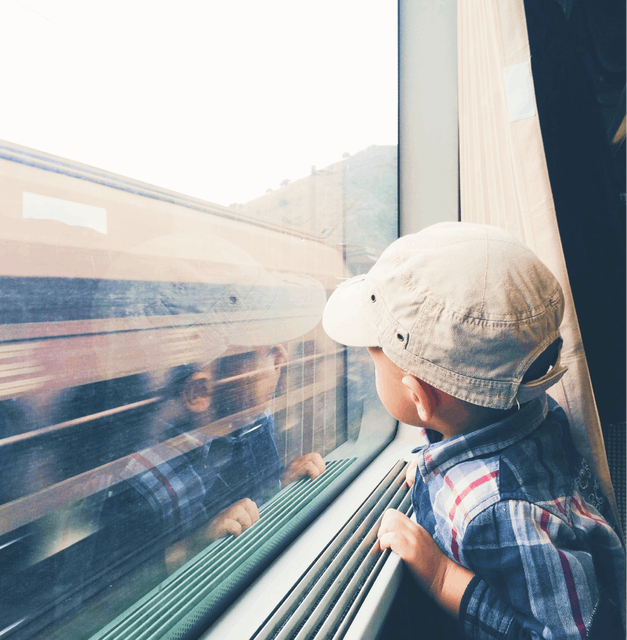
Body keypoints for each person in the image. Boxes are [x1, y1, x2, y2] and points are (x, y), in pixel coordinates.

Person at [322, 222, 626, 639]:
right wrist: (434, 470)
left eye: (375, 361)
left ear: (419, 397)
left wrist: (440, 575)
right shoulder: (531, 408)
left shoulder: (502, 512)